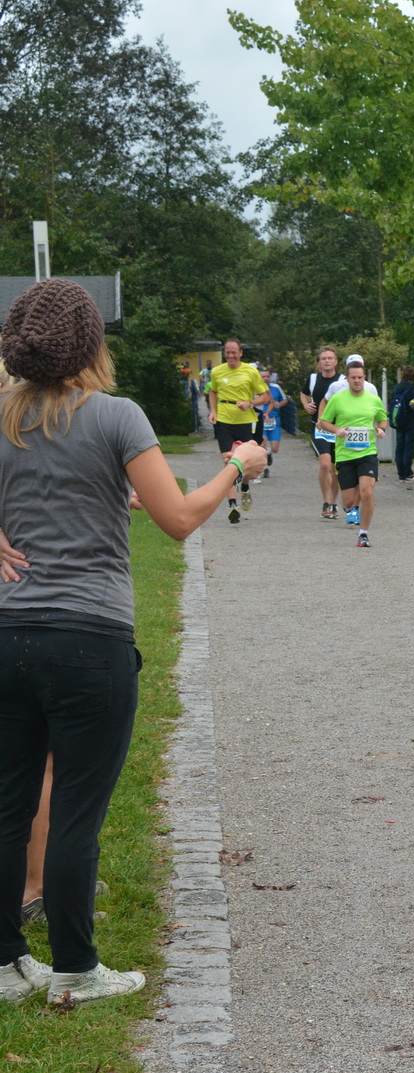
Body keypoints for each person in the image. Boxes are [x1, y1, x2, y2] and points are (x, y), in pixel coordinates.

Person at [0, 278, 267, 1004]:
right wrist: (235, 468)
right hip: (90, 640)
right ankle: (77, 969)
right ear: (91, 345)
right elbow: (177, 518)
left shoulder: (3, 416)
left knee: (10, 802)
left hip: (10, 635)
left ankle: (4, 964)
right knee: (77, 815)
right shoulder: (117, 417)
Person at [316, 358, 390, 547]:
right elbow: (324, 422)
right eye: (353, 378)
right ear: (347, 379)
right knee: (348, 500)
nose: (357, 381)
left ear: (364, 378)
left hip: (367, 453)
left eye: (360, 378)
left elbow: (382, 419)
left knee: (368, 492)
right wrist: (337, 430)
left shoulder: (373, 399)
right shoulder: (338, 399)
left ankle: (363, 533)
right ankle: (349, 506)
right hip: (345, 455)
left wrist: (381, 429)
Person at [203, 339, 269, 524]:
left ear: (241, 353)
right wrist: (213, 411)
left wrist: (250, 403)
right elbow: (213, 392)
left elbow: (264, 396)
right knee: (229, 460)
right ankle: (233, 505)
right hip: (224, 420)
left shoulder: (250, 371)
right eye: (227, 352)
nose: (230, 356)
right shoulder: (217, 371)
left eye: (234, 352)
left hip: (246, 421)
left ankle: (245, 485)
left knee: (246, 463)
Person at [302, 347, 345, 518]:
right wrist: (306, 404)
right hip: (318, 428)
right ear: (319, 363)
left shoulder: (343, 381)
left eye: (330, 358)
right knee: (325, 464)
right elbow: (304, 393)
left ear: (336, 362)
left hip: (337, 429)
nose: (327, 361)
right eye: (323, 358)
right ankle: (326, 501)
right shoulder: (313, 378)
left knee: (335, 468)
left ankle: (334, 502)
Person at [390, 366, 414, 482]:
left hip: (399, 420)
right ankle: (408, 472)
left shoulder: (396, 388)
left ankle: (401, 473)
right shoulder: (413, 390)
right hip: (410, 421)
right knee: (408, 447)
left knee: (400, 446)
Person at [256, 367, 286, 477]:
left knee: (275, 448)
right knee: (261, 446)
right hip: (260, 420)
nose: (265, 378)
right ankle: (265, 469)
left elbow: (285, 400)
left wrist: (280, 404)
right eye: (263, 376)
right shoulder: (255, 389)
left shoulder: (276, 387)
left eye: (267, 376)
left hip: (274, 420)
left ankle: (269, 453)